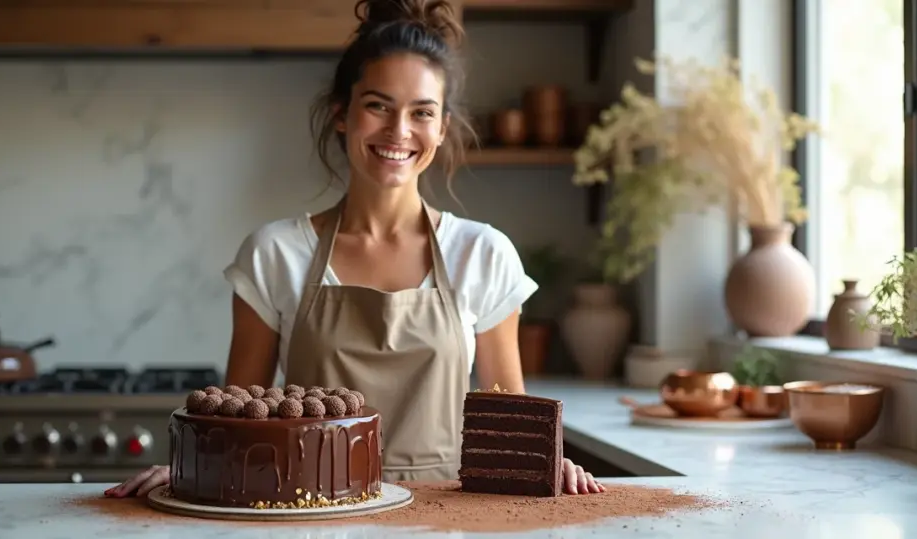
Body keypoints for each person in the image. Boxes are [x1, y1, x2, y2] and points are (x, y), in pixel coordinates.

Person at [105, 0, 605, 498]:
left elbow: (511, 434)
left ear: (442, 128)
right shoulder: (275, 254)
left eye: (421, 112)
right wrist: (193, 466)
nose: (399, 131)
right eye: (378, 105)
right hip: (310, 515)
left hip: (447, 521)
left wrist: (549, 462)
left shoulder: (483, 254)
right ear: (342, 114)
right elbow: (236, 416)